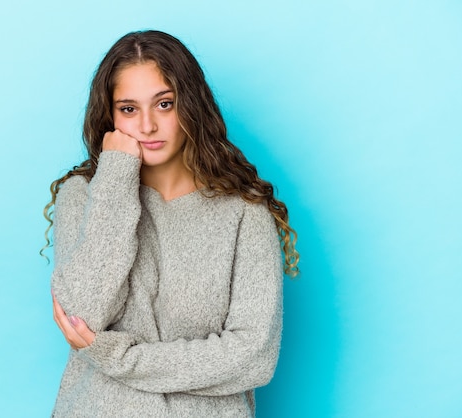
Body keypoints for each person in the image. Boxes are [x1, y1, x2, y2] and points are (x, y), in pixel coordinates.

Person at [42, 30, 299, 418]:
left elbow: (254, 356)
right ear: (109, 116)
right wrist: (115, 178)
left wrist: (119, 356)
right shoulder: (84, 196)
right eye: (128, 109)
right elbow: (82, 315)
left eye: (164, 104)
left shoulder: (245, 211)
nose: (146, 126)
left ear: (191, 106)